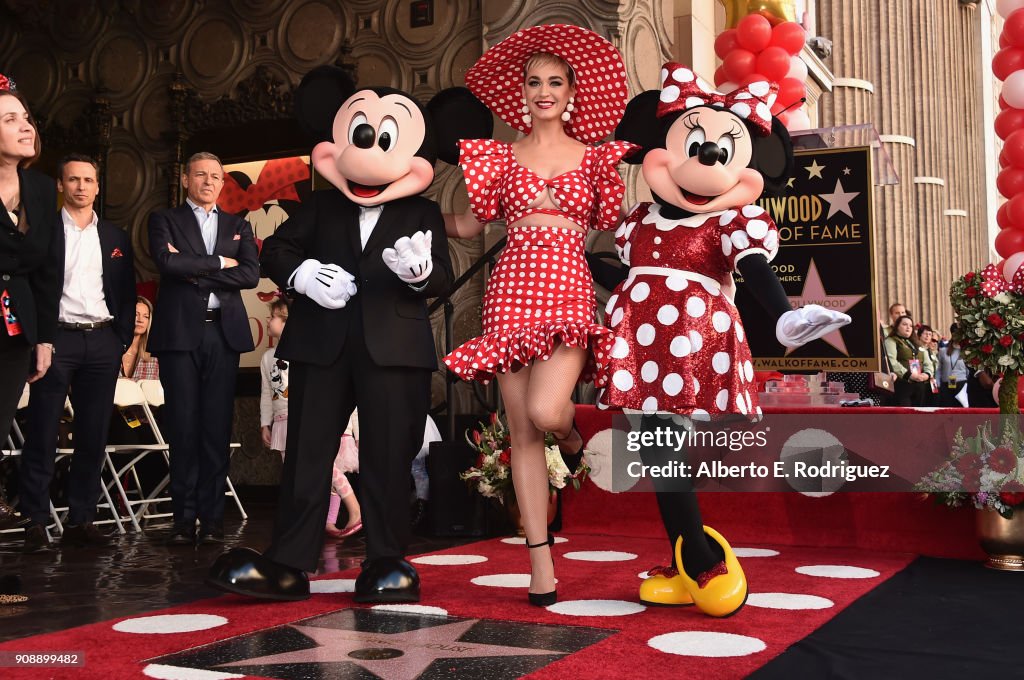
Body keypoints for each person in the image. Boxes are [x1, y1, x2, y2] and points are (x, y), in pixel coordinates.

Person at [207, 71, 478, 604]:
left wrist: (421, 273)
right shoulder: (319, 205)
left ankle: (387, 559)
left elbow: (441, 276)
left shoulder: (419, 211)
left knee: (388, 457)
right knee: (307, 454)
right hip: (320, 344)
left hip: (394, 349)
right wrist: (304, 274)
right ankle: (287, 564)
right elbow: (276, 250)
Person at [604, 64, 849, 617]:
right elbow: (619, 272)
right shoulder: (638, 221)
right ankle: (682, 556)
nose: (706, 158)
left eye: (722, 151)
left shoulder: (732, 223)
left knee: (664, 448)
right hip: (639, 347)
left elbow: (755, 267)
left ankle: (703, 557)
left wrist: (784, 318)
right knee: (652, 449)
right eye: (693, 144)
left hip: (690, 343)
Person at [443, 24, 636, 607]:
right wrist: (405, 215)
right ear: (522, 93)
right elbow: (470, 227)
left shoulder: (596, 159)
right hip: (508, 293)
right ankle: (539, 560)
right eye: (534, 81)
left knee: (547, 409)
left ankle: (573, 434)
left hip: (568, 290)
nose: (543, 90)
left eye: (555, 81)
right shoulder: (498, 156)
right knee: (521, 431)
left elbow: (619, 227)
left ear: (573, 92)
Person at [18, 153, 136, 552]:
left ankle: (81, 519)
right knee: (42, 431)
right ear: (60, 185)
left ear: (98, 186)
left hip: (102, 340)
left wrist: (121, 339)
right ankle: (35, 520)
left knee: (93, 434)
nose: (81, 187)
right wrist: (39, 337)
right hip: (57, 340)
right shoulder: (44, 230)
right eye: (73, 180)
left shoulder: (117, 237)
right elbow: (32, 287)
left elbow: (126, 290)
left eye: (88, 180)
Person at [147, 151, 259, 546]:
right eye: (201, 175)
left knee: (215, 429)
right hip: (179, 336)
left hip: (222, 335)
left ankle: (212, 520)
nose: (209, 182)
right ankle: (183, 520)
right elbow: (166, 263)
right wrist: (219, 263)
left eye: (216, 176)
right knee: (183, 428)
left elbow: (250, 274)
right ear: (185, 179)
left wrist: (194, 266)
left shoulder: (238, 224)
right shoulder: (164, 220)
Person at [0, 76, 61, 541]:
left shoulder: (40, 190)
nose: (25, 127)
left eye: (25, 117)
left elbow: (46, 271)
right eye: (9, 119)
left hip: (16, 329)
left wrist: (43, 337)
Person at [258, 297, 362, 540]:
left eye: (272, 317)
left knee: (325, 466)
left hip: (304, 418)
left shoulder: (306, 351)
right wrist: (265, 422)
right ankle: (325, 522)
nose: (268, 321)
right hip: (282, 421)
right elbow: (266, 391)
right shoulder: (267, 357)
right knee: (295, 471)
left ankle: (353, 508)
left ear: (287, 322)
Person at [884, 315, 934, 406]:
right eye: (904, 324)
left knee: (919, 415)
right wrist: (909, 375)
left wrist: (927, 374)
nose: (908, 327)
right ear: (897, 326)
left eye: (910, 326)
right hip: (901, 385)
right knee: (905, 415)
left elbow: (928, 362)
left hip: (919, 385)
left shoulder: (917, 343)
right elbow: (892, 362)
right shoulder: (891, 340)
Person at [122, 296, 158, 380]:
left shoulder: (154, 358)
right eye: (136, 314)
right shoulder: (112, 351)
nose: (140, 320)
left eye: (146, 316)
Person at [937, 322, 967, 407]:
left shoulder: (967, 351)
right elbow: (938, 369)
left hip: (962, 385)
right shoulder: (943, 351)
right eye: (955, 333)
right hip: (946, 385)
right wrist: (938, 384)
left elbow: (969, 370)